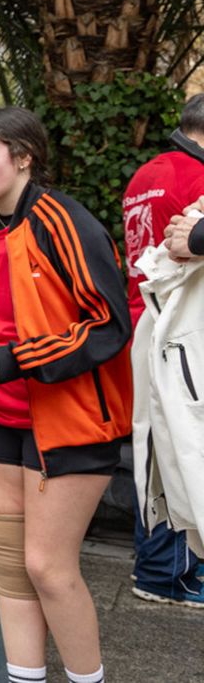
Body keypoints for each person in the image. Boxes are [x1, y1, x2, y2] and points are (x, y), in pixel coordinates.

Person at [0, 107, 133, 683]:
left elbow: (109, 324)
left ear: (22, 157)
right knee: (11, 569)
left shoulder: (64, 221)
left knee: (49, 568)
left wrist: (16, 360)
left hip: (70, 424)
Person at [120, 92, 204, 607]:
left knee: (154, 446)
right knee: (181, 447)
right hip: (182, 328)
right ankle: (167, 575)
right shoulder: (196, 178)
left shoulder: (146, 173)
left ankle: (157, 569)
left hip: (146, 320)